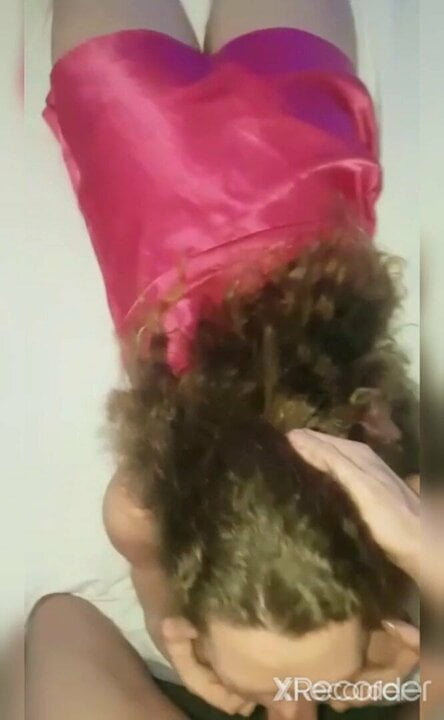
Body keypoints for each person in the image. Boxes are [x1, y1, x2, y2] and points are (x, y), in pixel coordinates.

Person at [28, 2, 419, 719]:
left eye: (260, 693)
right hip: (150, 131)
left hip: (280, 130)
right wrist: (183, 639)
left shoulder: (391, 492)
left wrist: (171, 638)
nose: (294, 713)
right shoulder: (143, 508)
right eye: (320, 690)